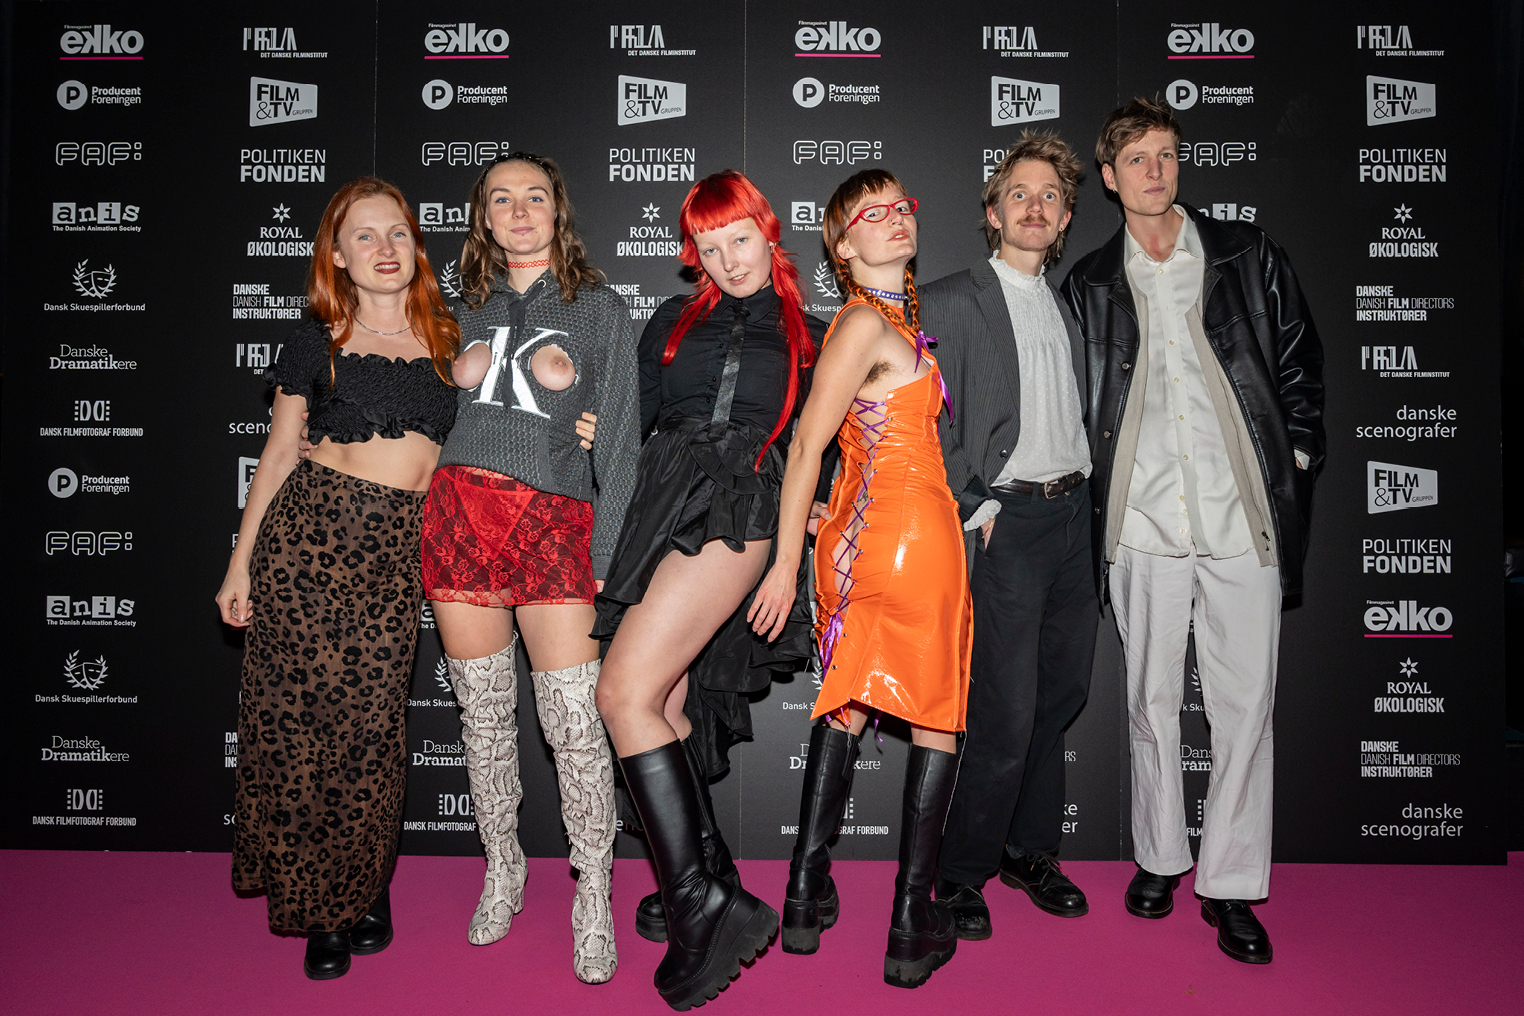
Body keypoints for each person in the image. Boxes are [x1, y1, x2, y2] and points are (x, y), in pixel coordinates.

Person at [1060, 97, 1324, 965]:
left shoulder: (1246, 253)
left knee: (1247, 706)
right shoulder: (1091, 281)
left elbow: (1299, 362)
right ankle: (1161, 857)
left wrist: (1296, 457)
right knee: (1151, 701)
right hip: (1141, 521)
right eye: (1137, 158)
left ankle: (1232, 883)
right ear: (1109, 177)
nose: (1155, 171)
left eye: (1167, 155)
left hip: (1241, 516)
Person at [592, 169, 829, 1010]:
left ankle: (701, 906)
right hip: (659, 500)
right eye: (709, 245)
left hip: (740, 503)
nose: (729, 260)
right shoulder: (669, 319)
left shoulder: (814, 335)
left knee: (621, 694)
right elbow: (630, 430)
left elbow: (825, 451)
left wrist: (795, 549)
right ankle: (711, 878)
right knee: (663, 701)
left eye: (740, 240)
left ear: (769, 233)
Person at [217, 177, 460, 980]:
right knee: (298, 731)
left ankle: (365, 882)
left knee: (371, 735)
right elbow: (278, 455)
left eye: (398, 233)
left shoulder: (451, 339)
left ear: (415, 246)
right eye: (365, 236)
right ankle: (324, 907)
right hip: (305, 548)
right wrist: (240, 562)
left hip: (394, 558)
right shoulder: (315, 341)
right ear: (339, 256)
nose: (385, 249)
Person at [751, 169, 972, 990]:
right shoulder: (863, 323)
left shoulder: (886, 323)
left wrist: (823, 527)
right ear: (842, 249)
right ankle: (912, 921)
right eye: (870, 215)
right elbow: (806, 446)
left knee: (845, 699)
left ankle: (805, 894)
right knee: (937, 714)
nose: (894, 219)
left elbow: (847, 446)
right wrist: (782, 563)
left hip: (862, 540)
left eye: (900, 206)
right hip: (910, 537)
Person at [422, 152, 640, 984]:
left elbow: (620, 445)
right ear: (483, 217)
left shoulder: (599, 308)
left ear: (558, 211)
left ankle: (594, 895)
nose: (519, 211)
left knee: (574, 723)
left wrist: (608, 559)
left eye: (535, 196)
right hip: (457, 520)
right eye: (501, 199)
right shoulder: (454, 307)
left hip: (555, 524)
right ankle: (502, 868)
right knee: (482, 717)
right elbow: (415, 414)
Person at [920, 131, 1096, 938]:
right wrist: (977, 507)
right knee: (1005, 707)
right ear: (993, 213)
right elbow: (926, 415)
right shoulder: (953, 298)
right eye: (1019, 194)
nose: (1035, 206)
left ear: (1065, 220)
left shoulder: (1071, 304)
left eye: (1050, 197)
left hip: (1073, 518)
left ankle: (1030, 853)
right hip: (1008, 522)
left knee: (1059, 697)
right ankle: (961, 873)